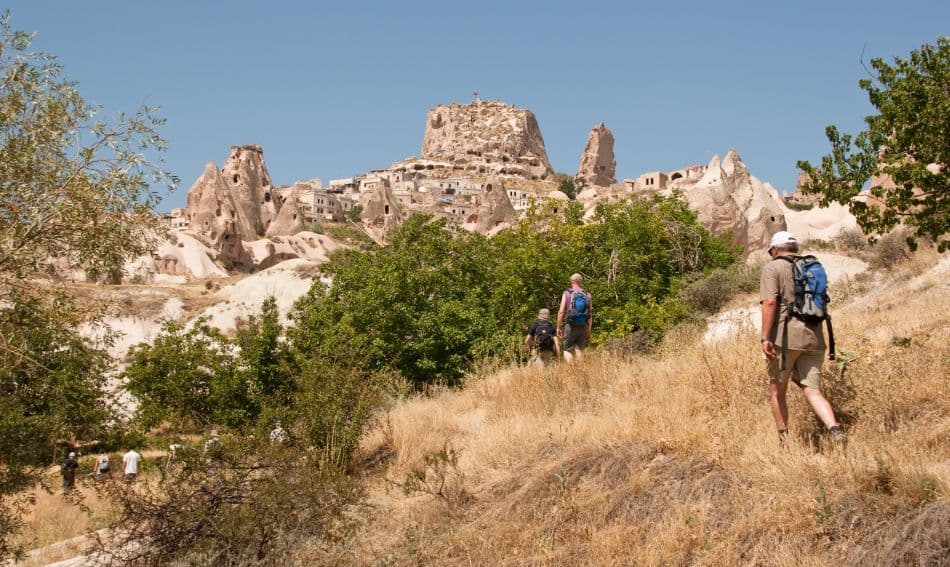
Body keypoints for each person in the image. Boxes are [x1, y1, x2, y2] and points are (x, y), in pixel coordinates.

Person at [760, 231, 845, 444]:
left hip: (785, 338)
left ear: (776, 250)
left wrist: (765, 337)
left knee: (777, 390)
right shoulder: (811, 266)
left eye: (771, 251)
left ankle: (784, 440)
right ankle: (835, 430)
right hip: (815, 337)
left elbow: (769, 303)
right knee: (812, 391)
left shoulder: (773, 268)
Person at [557, 273, 592, 363]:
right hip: (583, 325)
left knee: (566, 349)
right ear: (581, 282)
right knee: (579, 349)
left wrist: (558, 327)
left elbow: (561, 312)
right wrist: (589, 329)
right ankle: (579, 371)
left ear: (571, 281)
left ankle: (571, 369)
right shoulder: (587, 295)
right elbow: (590, 314)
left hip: (571, 325)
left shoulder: (567, 293)